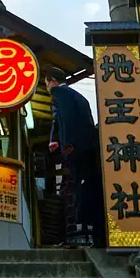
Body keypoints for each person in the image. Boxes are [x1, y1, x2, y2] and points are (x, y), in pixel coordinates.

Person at [46, 67, 102, 246]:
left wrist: (67, 144)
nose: (47, 89)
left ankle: (84, 232)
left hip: (77, 149)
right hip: (89, 148)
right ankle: (96, 234)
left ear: (52, 81)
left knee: (82, 190)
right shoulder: (79, 96)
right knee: (90, 188)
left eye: (46, 83)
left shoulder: (59, 92)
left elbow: (65, 117)